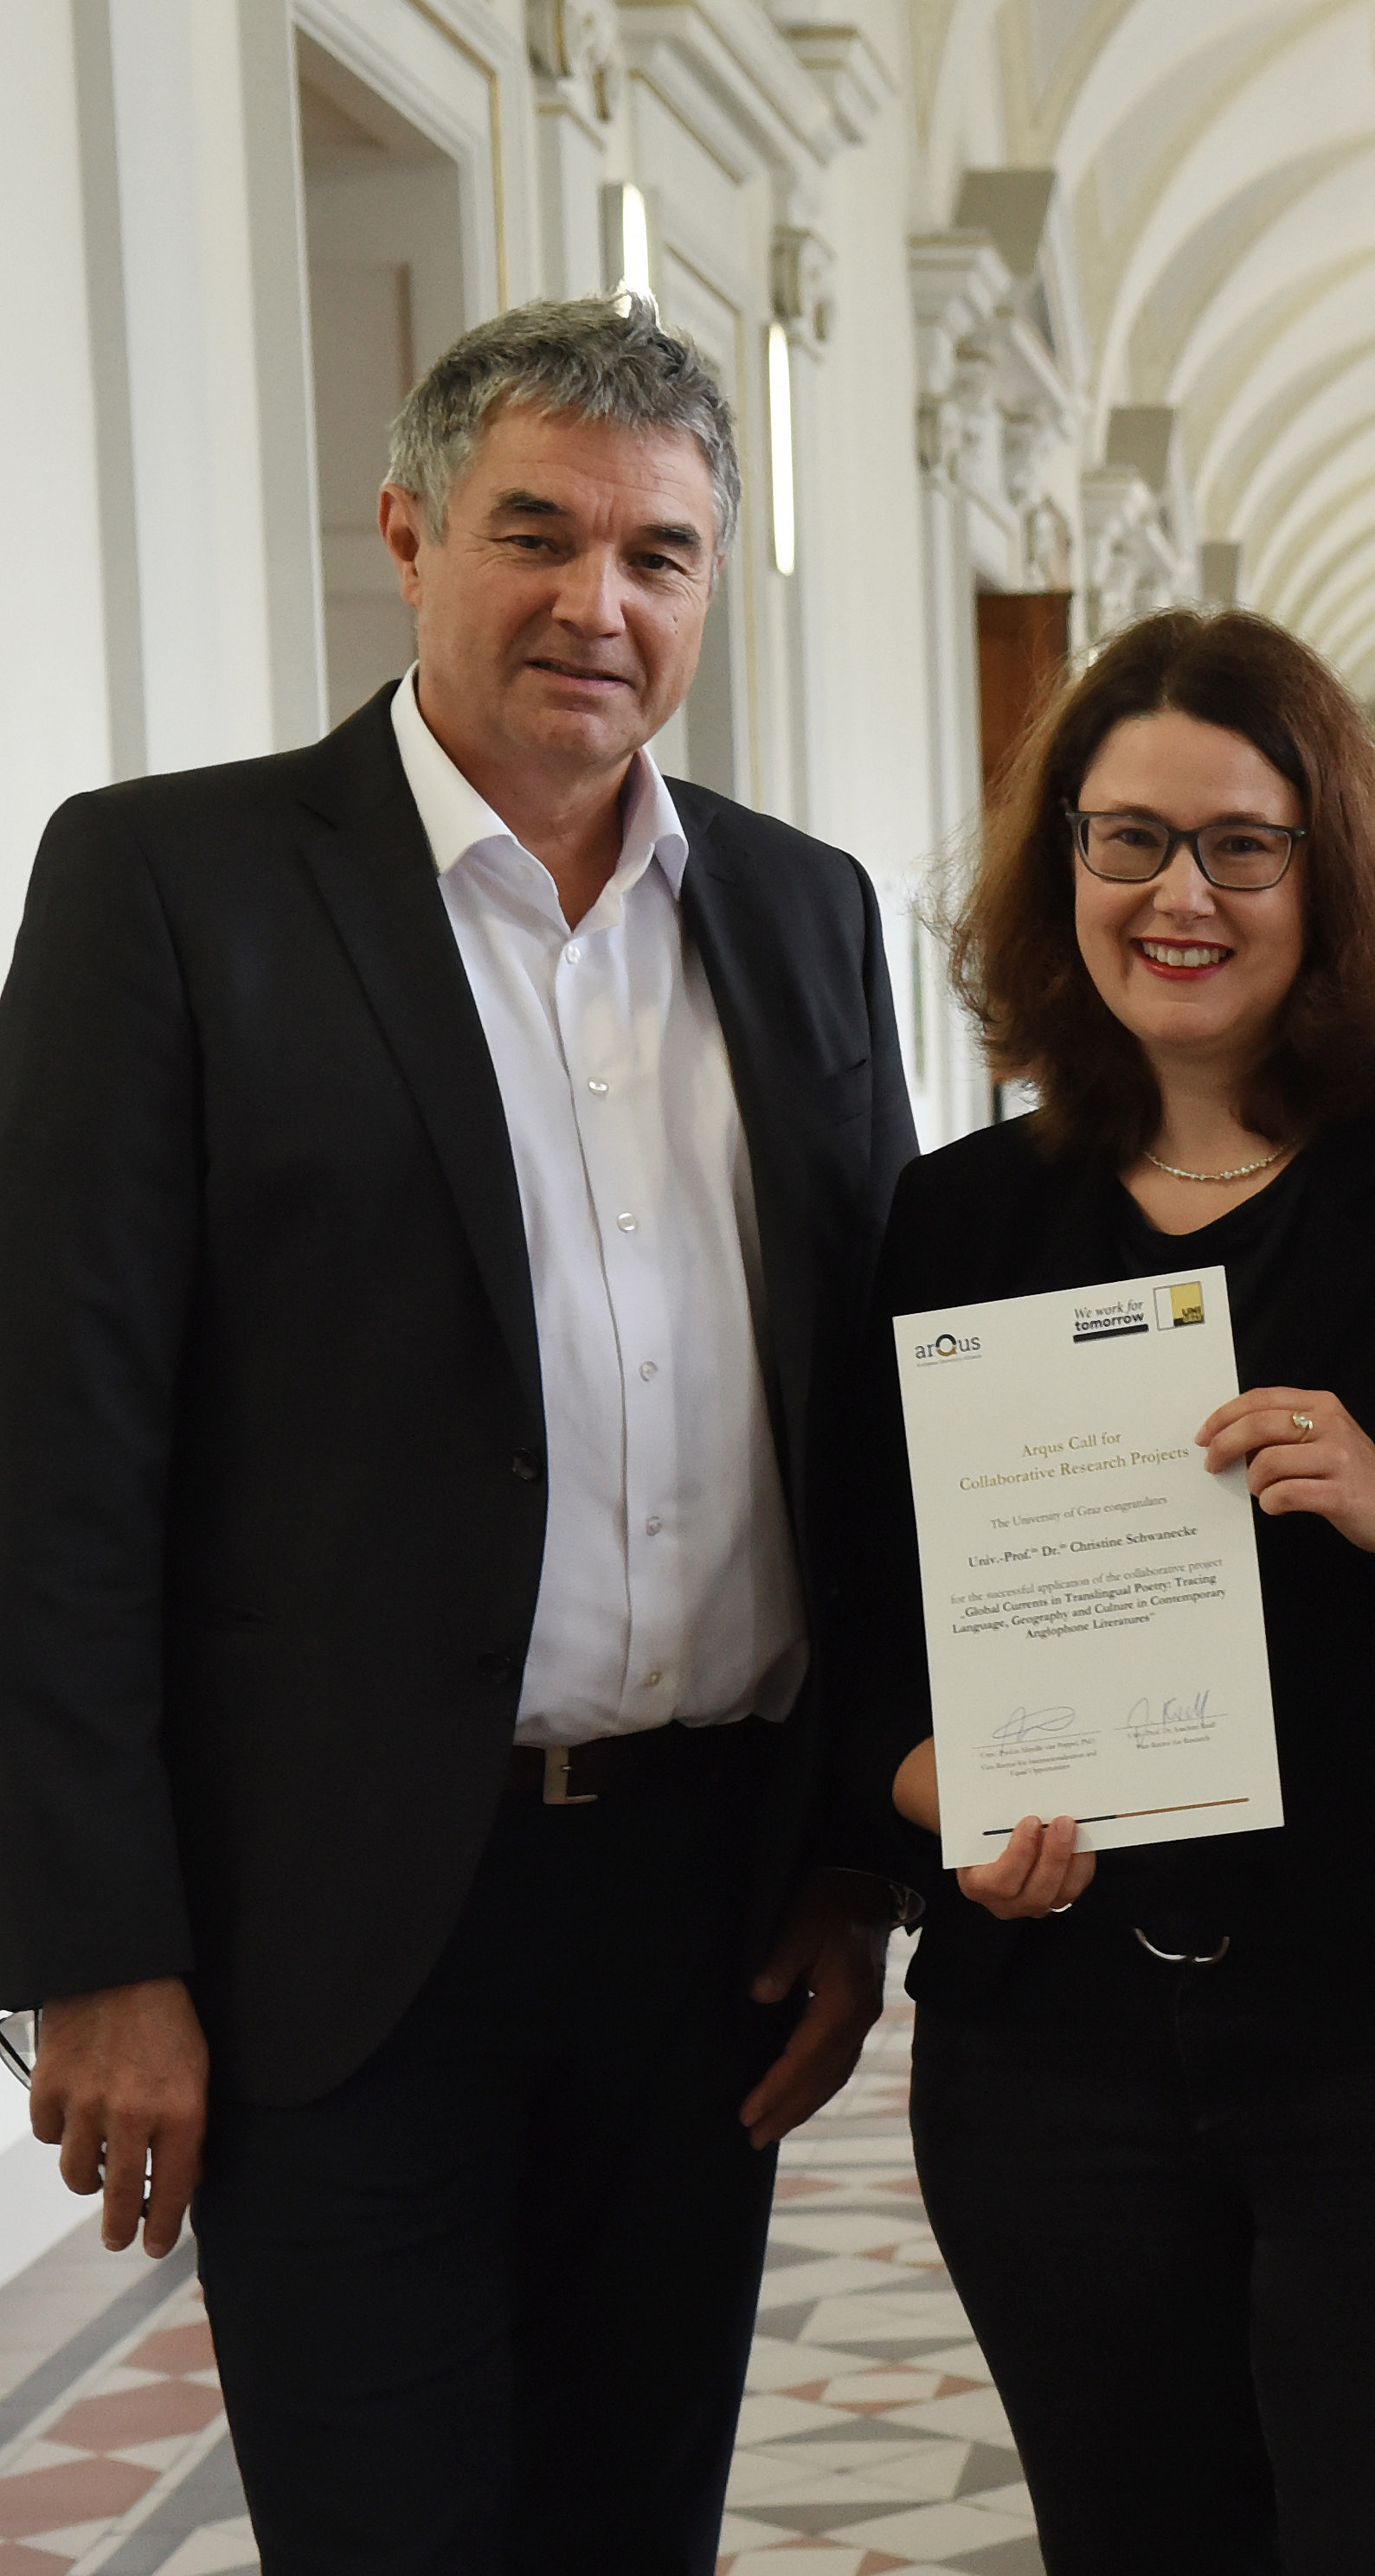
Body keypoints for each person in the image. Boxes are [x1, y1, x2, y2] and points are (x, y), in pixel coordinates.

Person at [0, 297, 917, 2571]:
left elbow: (868, 1417)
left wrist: (846, 1862)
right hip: (336, 1924)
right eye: (537, 533)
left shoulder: (799, 917)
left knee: (635, 2526)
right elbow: (53, 1432)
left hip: (706, 1907)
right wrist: (92, 1939)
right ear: (408, 533)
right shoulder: (173, 889)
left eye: (660, 556)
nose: (597, 604)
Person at [837, 606, 1375, 2575]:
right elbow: (860, 1653)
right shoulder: (958, 1220)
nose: (1181, 894)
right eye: (1126, 838)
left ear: (1337, 868)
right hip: (1059, 2075)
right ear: (1062, 869)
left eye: (1244, 842)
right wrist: (947, 1799)